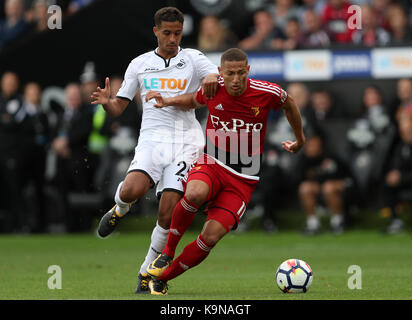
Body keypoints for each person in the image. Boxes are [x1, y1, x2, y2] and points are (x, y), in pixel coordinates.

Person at [144, 48, 305, 295]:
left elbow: (289, 103)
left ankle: (162, 278)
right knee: (195, 192)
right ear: (221, 72)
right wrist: (168, 100)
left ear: (248, 71)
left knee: (210, 237)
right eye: (230, 73)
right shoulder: (213, 87)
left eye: (241, 73)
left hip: (243, 178)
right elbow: (194, 100)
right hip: (213, 163)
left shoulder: (266, 92)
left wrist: (300, 139)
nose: (236, 79)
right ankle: (167, 253)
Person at [90, 7, 219, 294]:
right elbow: (119, 106)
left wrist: (211, 78)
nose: (172, 38)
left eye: (177, 33)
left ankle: (146, 272)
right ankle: (119, 208)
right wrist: (107, 102)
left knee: (167, 211)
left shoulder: (194, 59)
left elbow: (213, 75)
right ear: (155, 32)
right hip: (152, 140)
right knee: (130, 191)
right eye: (167, 33)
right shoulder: (139, 64)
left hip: (185, 142)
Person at [381, 106, 412, 234]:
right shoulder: (400, 146)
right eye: (403, 127)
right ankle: (395, 221)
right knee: (388, 182)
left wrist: (402, 176)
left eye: (408, 127)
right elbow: (396, 165)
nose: (405, 130)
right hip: (406, 180)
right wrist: (395, 173)